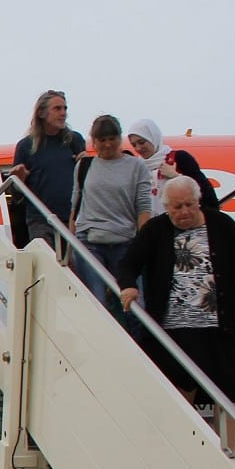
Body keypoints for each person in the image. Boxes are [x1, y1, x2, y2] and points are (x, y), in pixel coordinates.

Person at [117, 175, 235, 453]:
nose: (183, 212)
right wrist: (128, 287)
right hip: (173, 329)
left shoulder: (222, 225)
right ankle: (181, 452)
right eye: (176, 207)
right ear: (166, 207)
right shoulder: (155, 230)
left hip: (218, 326)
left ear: (198, 202)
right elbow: (129, 263)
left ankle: (227, 453)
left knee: (226, 394)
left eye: (189, 205)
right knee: (178, 390)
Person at [71, 113, 151, 321]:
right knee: (97, 302)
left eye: (111, 138)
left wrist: (142, 246)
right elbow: (76, 203)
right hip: (90, 240)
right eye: (101, 140)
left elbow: (143, 207)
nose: (107, 144)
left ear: (119, 137)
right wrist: (69, 243)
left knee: (134, 307)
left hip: (125, 241)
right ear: (94, 141)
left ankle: (134, 348)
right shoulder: (84, 166)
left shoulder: (136, 166)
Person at [10, 90, 86, 248]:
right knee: (49, 265)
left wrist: (86, 163)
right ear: (42, 113)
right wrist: (20, 180)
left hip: (72, 218)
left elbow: (85, 181)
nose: (63, 113)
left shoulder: (75, 140)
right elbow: (15, 196)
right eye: (57, 109)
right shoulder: (25, 146)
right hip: (40, 219)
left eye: (65, 108)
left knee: (73, 269)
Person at [127, 118, 219, 216]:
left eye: (142, 142)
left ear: (153, 137)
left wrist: (177, 177)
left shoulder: (179, 158)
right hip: (151, 228)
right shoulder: (137, 168)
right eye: (134, 145)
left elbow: (209, 198)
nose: (138, 148)